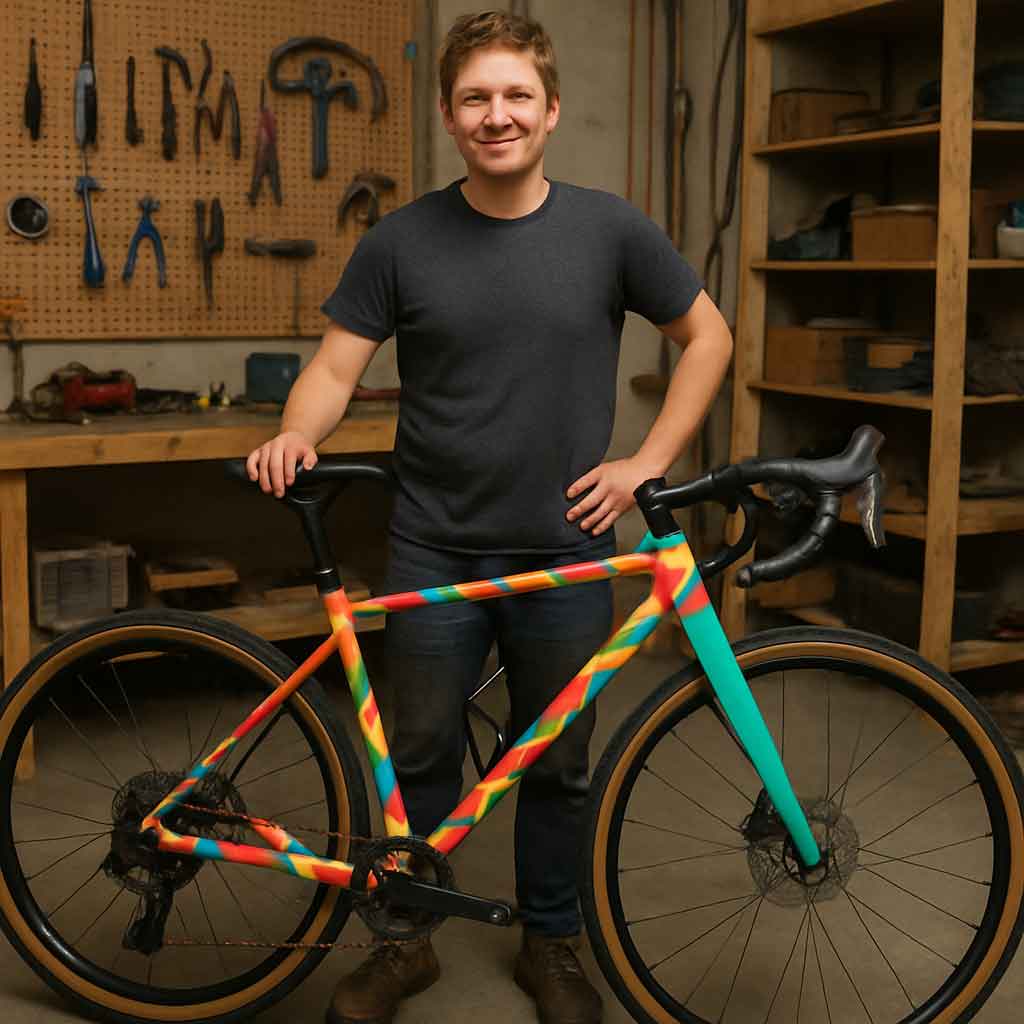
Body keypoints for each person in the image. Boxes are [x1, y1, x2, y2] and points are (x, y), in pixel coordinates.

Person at [246, 10, 733, 1024]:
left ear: (551, 111)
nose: (496, 115)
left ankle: (551, 942)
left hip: (565, 546)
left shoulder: (610, 229)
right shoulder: (402, 240)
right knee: (418, 746)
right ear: (449, 115)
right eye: (476, 97)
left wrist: (646, 463)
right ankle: (403, 941)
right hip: (431, 538)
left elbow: (707, 337)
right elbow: (337, 367)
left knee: (556, 759)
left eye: (517, 96)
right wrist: (297, 431)